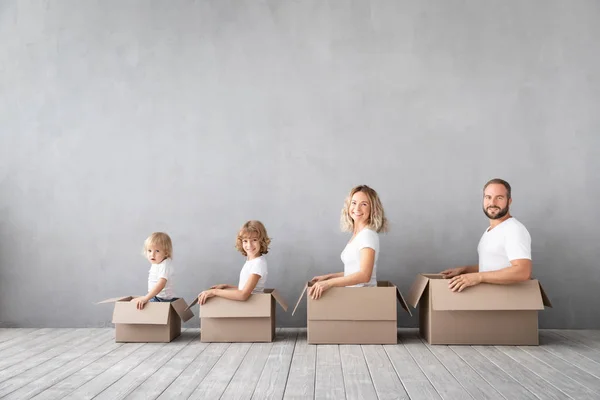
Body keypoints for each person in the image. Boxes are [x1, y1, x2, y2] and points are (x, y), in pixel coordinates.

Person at [441, 179, 532, 292]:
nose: (492, 203)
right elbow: (494, 265)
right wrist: (466, 270)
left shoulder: (514, 229)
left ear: (509, 201)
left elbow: (522, 272)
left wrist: (478, 277)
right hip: (491, 299)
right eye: (488, 197)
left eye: (499, 198)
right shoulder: (491, 230)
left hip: (508, 302)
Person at [309, 185, 388, 300]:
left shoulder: (367, 235)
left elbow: (365, 275)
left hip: (364, 299)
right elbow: (354, 271)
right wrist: (329, 277)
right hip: (355, 298)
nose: (357, 208)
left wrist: (329, 284)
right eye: (354, 203)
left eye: (364, 204)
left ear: (373, 209)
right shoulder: (358, 235)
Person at [197, 220, 270, 304]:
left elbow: (243, 295)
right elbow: (246, 289)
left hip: (252, 308)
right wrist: (227, 286)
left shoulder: (258, 264)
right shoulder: (252, 261)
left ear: (261, 241)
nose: (249, 245)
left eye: (254, 240)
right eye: (245, 241)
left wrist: (215, 292)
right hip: (249, 306)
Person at [133, 232, 177, 309]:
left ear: (166, 253)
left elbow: (161, 284)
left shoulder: (164, 265)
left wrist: (146, 298)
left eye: (157, 251)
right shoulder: (157, 262)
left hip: (161, 299)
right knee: (134, 302)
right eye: (149, 251)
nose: (152, 255)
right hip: (156, 296)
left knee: (136, 305)